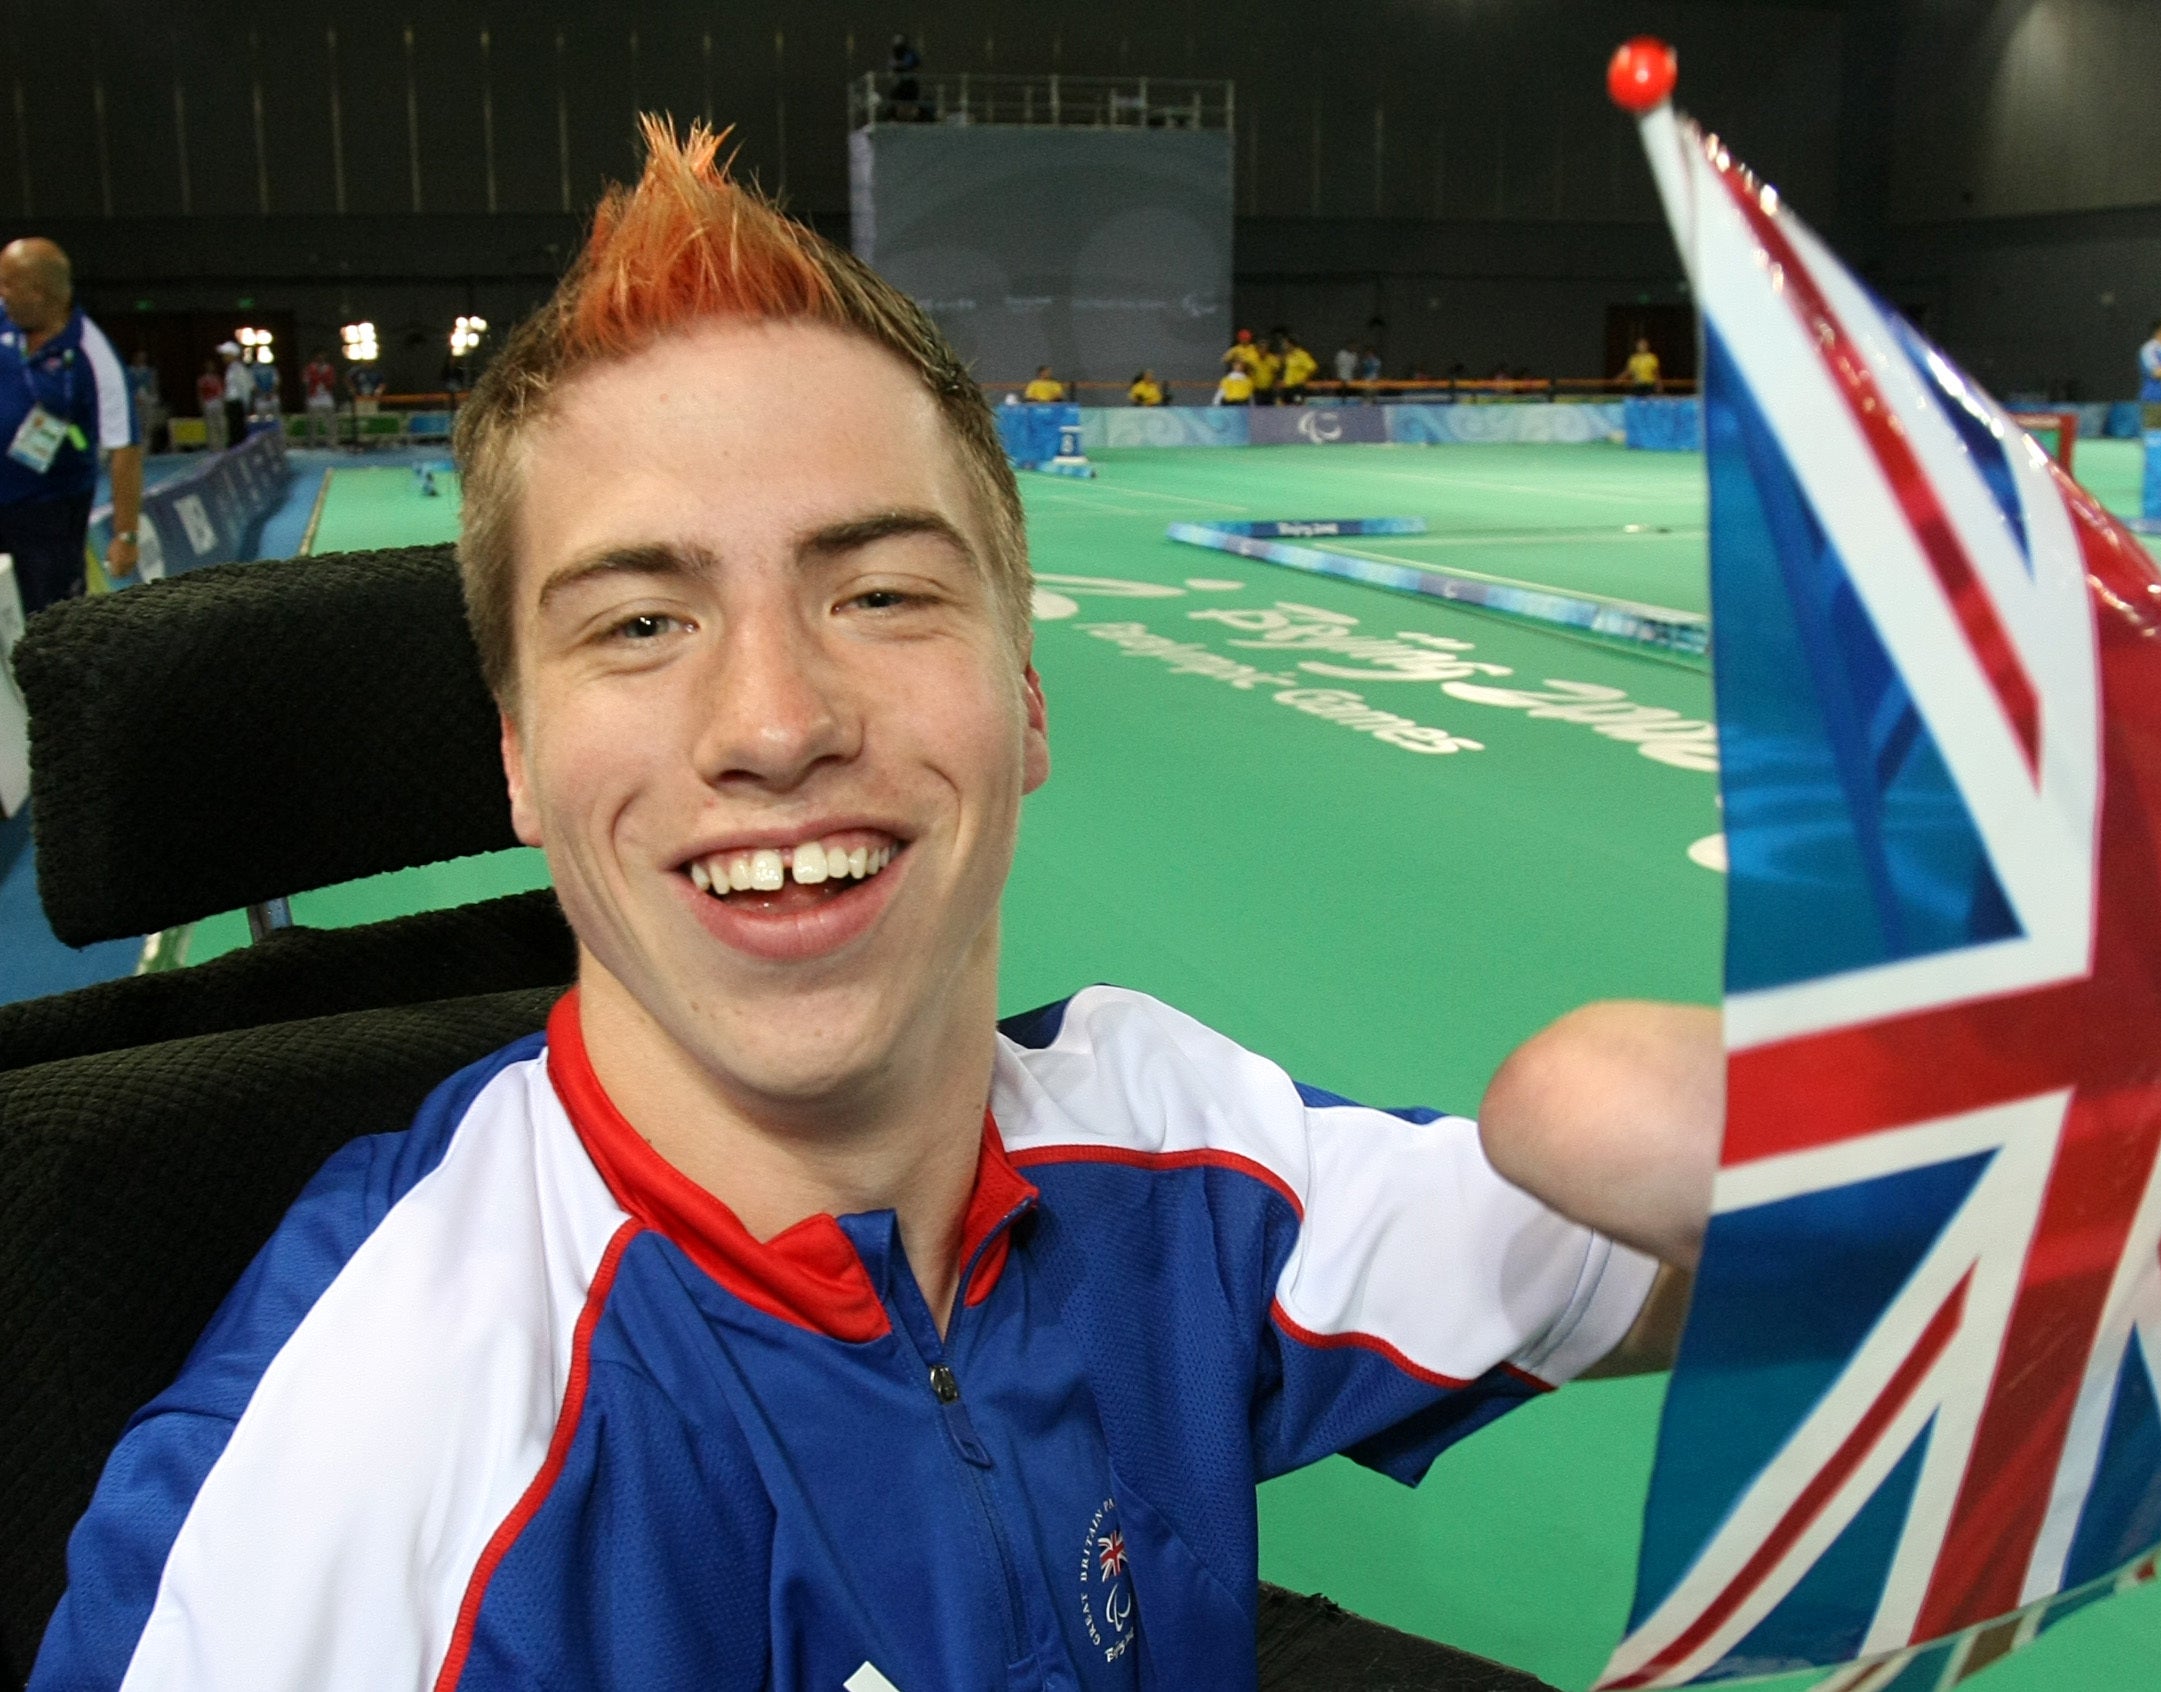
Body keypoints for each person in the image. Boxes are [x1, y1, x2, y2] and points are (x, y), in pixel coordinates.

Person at [31, 120, 1720, 1690]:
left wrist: (1895, 1160)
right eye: (637, 621)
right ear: (520, 763)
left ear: (1028, 698)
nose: (775, 722)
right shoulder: (345, 1495)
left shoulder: (1167, 1148)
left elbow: (1647, 1254)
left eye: (884, 590)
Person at [0, 237, 140, 616]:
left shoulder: (94, 355)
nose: (2, 292)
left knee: (52, 620)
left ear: (39, 292)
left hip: (51, 513)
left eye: (9, 283)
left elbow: (124, 446)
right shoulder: (3, 319)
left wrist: (125, 534)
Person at [303, 350, 340, 448]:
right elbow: (306, 381)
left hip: (326, 398)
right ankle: (311, 443)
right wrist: (315, 379)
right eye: (319, 357)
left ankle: (332, 443)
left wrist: (325, 382)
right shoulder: (309, 368)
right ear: (315, 357)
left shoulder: (329, 368)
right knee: (312, 423)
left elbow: (332, 381)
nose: (321, 358)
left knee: (331, 422)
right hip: (313, 398)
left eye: (322, 356)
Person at [218, 340, 252, 447]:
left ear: (232, 355)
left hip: (237, 404)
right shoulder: (231, 369)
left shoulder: (238, 369)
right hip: (233, 404)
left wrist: (245, 406)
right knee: (234, 432)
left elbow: (245, 388)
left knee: (238, 433)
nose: (223, 357)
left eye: (225, 355)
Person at [195, 356, 227, 449]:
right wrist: (202, 405)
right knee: (211, 426)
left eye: (211, 366)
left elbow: (222, 392)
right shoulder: (202, 380)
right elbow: (200, 394)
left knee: (221, 424)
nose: (210, 368)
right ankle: (213, 446)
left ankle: (223, 444)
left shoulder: (217, 379)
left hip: (218, 403)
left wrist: (223, 403)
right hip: (208, 404)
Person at [1277, 335, 1317, 405]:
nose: (1283, 346)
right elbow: (1280, 361)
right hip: (1288, 387)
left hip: (1298, 388)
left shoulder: (1302, 355)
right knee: (1285, 408)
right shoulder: (1288, 355)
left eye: (1285, 344)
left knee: (1298, 407)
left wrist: (1306, 379)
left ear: (1290, 344)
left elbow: (1313, 368)